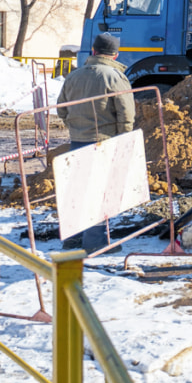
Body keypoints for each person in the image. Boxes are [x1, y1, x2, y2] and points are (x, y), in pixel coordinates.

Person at [55, 32, 135, 254]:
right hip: (103, 142)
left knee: (77, 191)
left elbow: (61, 108)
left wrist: (76, 125)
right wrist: (123, 139)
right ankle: (95, 243)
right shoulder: (115, 78)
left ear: (93, 51)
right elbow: (126, 114)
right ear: (115, 55)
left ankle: (72, 240)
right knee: (98, 193)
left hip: (77, 141)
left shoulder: (74, 76)